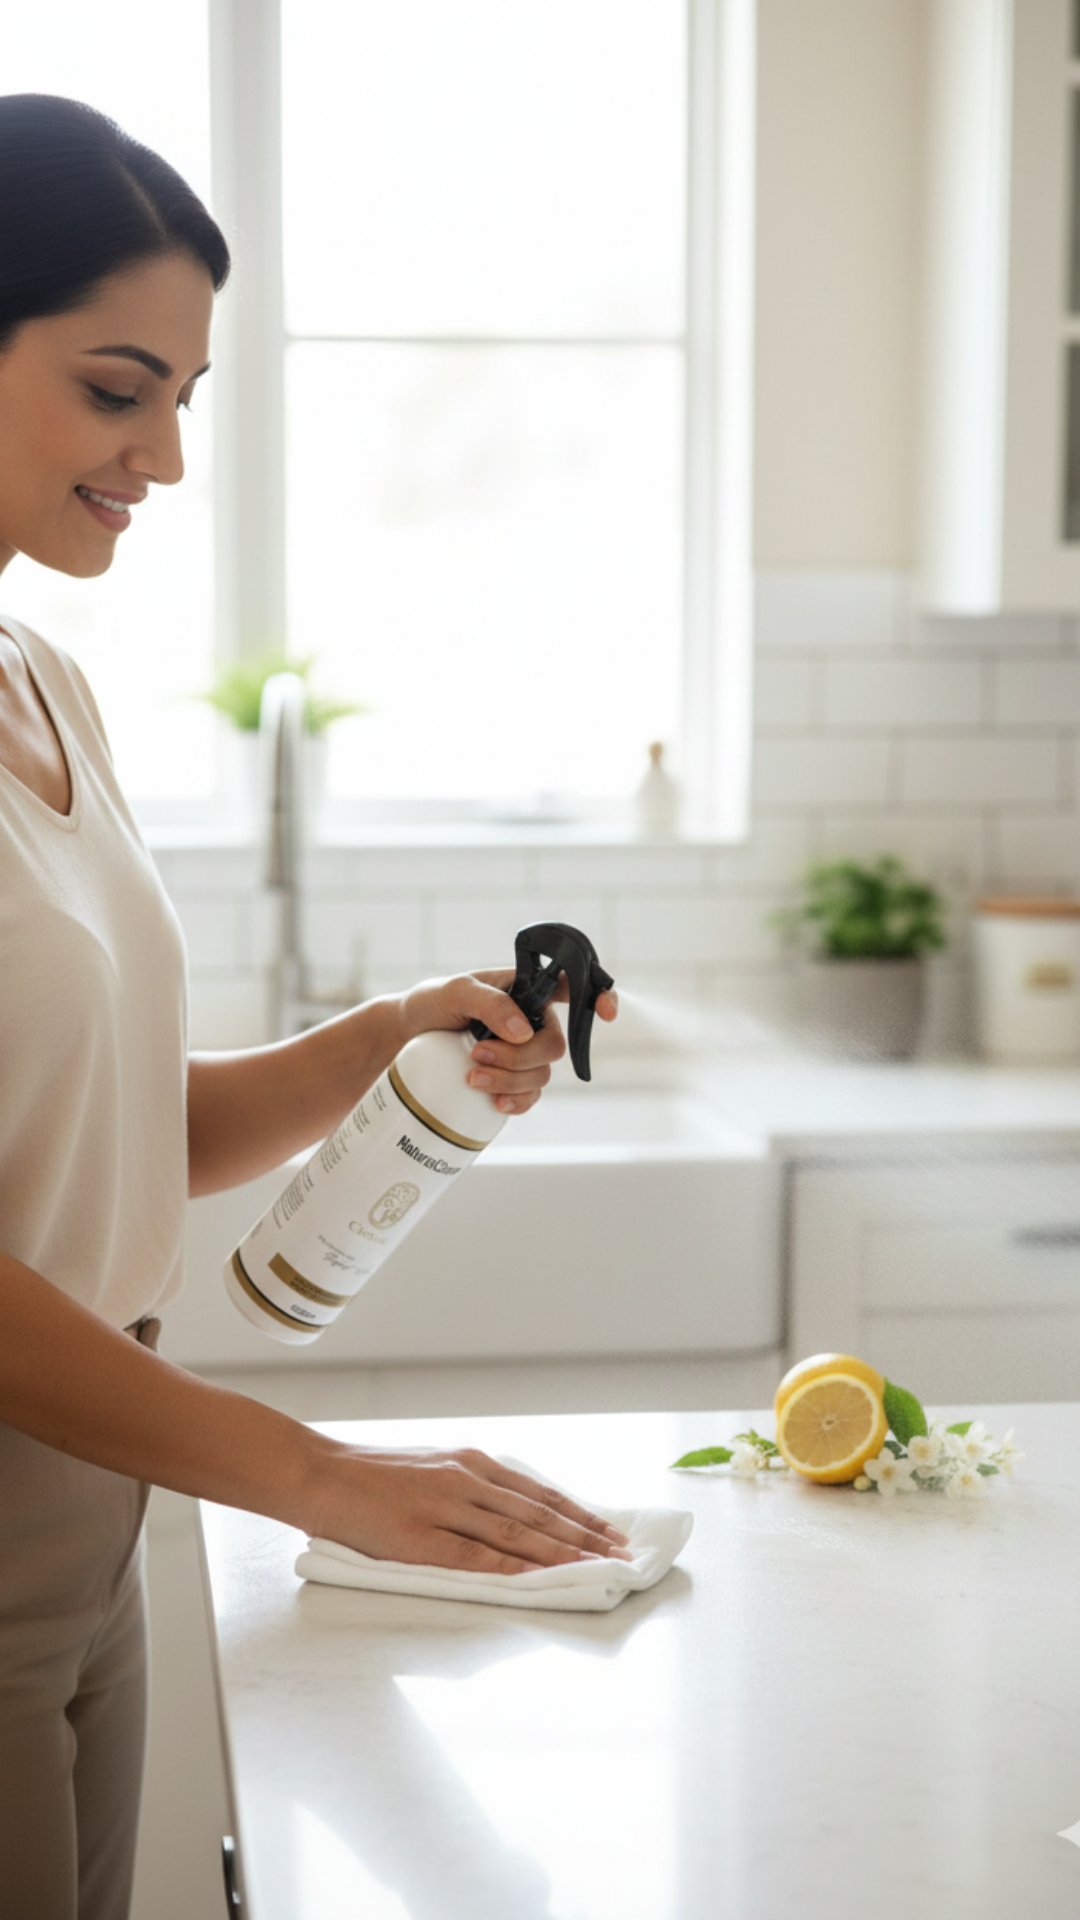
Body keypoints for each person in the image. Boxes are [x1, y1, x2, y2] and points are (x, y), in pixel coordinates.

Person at [0, 94, 624, 1920]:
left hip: (98, 1497)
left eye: (185, 399)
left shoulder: (43, 685)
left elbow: (108, 1137)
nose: (165, 459)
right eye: (117, 390)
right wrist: (321, 1478)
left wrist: (383, 1047)